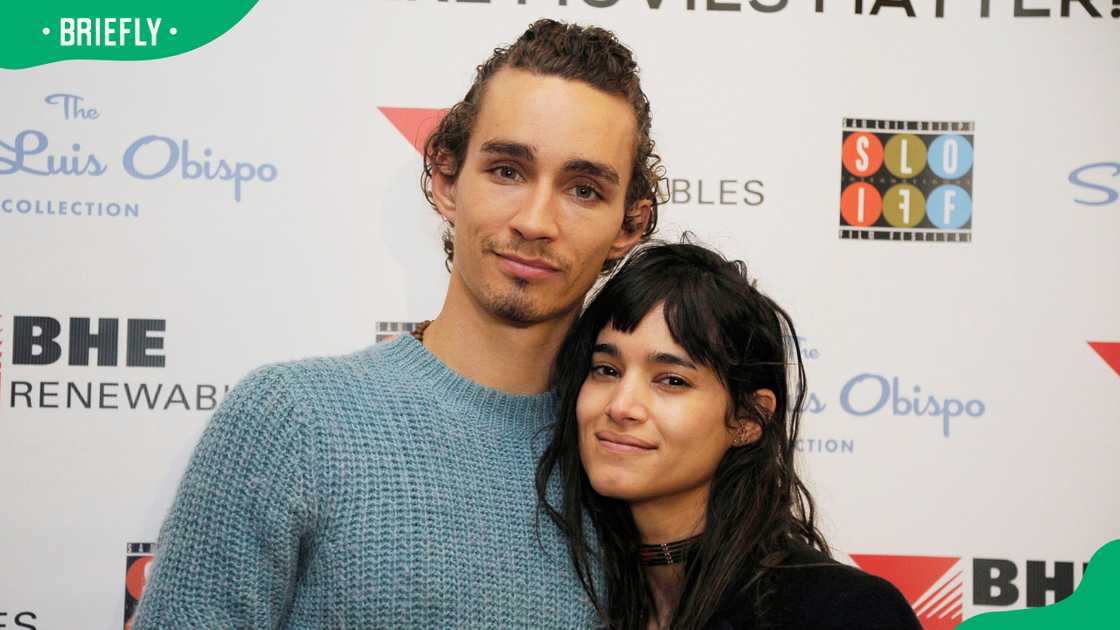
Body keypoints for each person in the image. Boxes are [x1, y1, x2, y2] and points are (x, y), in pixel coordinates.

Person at [133, 19, 662, 629]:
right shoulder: (293, 420)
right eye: (507, 171)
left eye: (583, 189)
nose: (536, 221)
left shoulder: (632, 454)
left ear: (628, 225)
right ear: (445, 179)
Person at [537, 242, 922, 630]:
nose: (621, 406)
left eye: (672, 380)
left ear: (748, 419)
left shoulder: (846, 612)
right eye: (606, 370)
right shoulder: (563, 594)